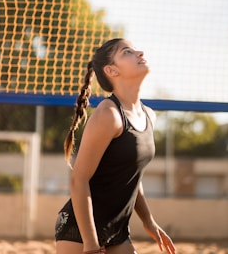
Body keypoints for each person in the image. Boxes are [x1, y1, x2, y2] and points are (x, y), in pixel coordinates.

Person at [55, 38, 176, 254]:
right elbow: (78, 180)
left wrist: (149, 221)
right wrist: (91, 244)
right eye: (127, 52)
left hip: (117, 230)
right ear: (111, 70)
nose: (139, 52)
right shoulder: (108, 115)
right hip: (80, 230)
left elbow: (131, 175)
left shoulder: (149, 115)